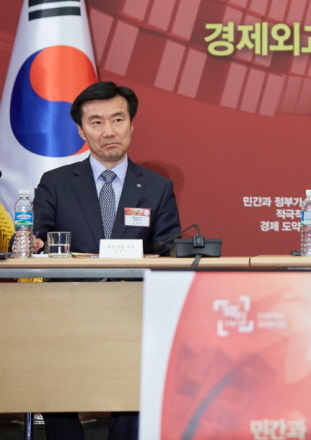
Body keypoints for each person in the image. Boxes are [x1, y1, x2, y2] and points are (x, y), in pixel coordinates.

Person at [33, 81, 181, 440]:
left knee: (135, 387)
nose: (109, 131)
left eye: (117, 120)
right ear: (81, 131)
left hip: (132, 309)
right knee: (56, 383)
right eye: (96, 122)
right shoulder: (55, 183)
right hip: (67, 307)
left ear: (131, 124)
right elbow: (36, 238)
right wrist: (33, 241)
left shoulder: (157, 187)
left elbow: (169, 248)